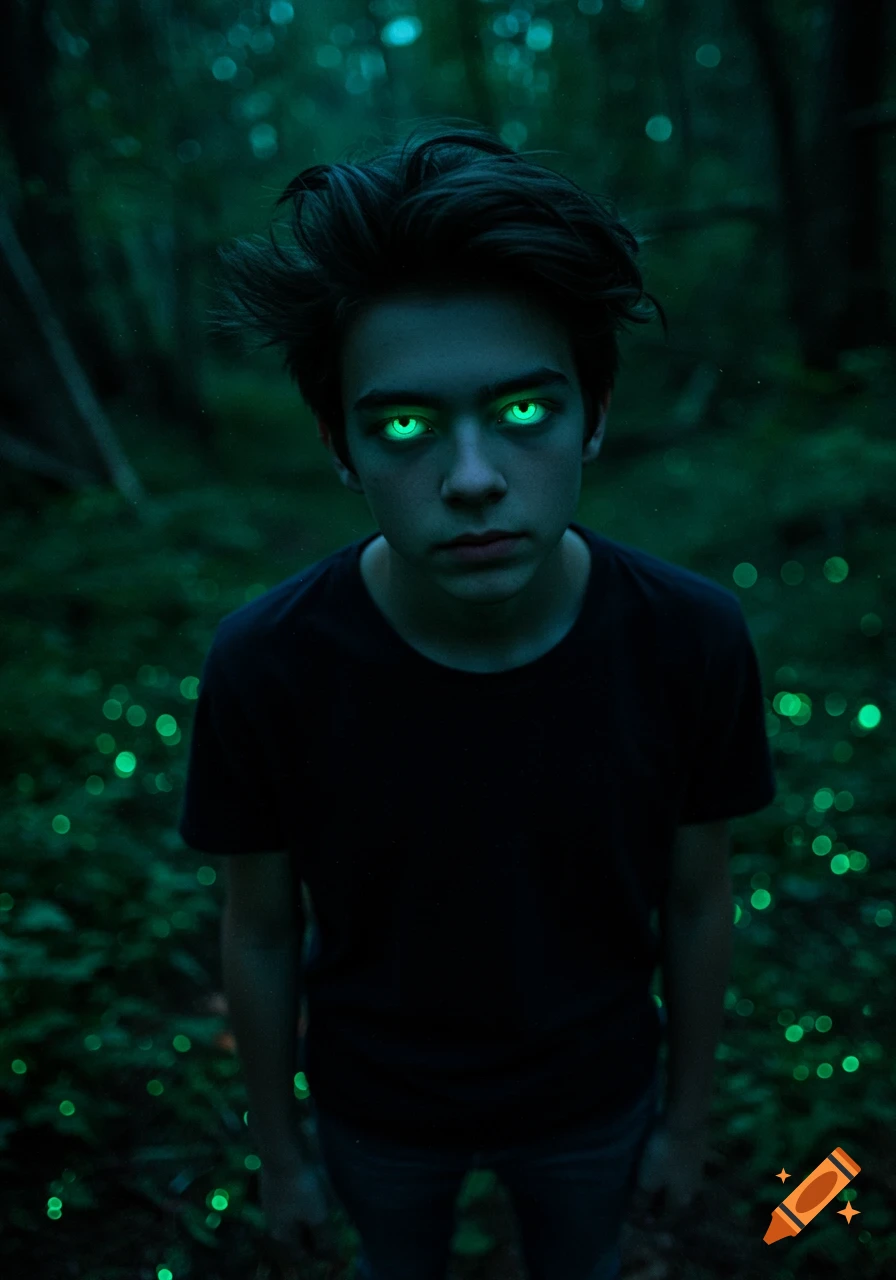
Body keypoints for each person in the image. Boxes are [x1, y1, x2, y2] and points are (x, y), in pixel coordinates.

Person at [178, 118, 777, 1280]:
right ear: (341, 448)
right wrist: (282, 1150)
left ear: (592, 415)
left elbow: (697, 900)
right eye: (402, 424)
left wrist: (683, 1121)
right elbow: (255, 926)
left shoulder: (688, 637)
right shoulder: (266, 662)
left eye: (522, 411)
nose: (468, 476)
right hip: (376, 1106)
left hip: (598, 1093)